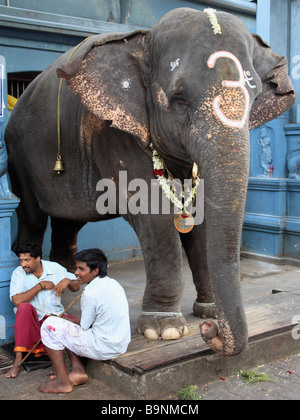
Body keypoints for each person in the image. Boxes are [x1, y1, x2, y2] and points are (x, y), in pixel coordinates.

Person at [38, 248, 131, 394]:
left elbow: (85, 325)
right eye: (77, 268)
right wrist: (66, 322)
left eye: (81, 269)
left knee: (48, 326)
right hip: (120, 344)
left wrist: (60, 320)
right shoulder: (113, 283)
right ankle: (77, 371)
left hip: (104, 347)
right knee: (65, 325)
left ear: (95, 271)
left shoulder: (90, 293)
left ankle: (62, 382)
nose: (76, 272)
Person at [5, 241, 80, 378]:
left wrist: (68, 281)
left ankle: (76, 370)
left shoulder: (55, 268)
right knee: (24, 307)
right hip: (33, 327)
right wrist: (39, 286)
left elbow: (76, 287)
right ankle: (17, 361)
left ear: (38, 258)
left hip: (54, 321)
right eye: (21, 260)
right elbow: (16, 301)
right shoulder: (18, 273)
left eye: (27, 260)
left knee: (74, 323)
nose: (23, 264)